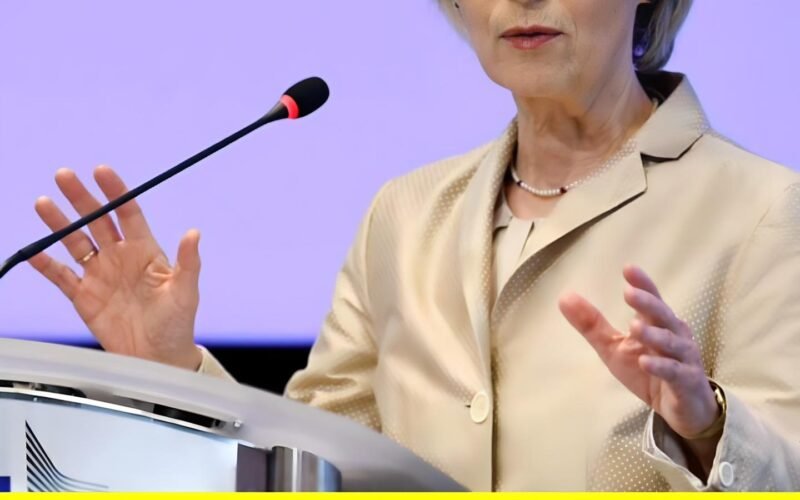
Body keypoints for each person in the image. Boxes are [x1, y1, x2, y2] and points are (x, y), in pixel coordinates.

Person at [28, 0, 800, 492]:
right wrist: (173, 371)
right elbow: (315, 464)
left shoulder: (764, 209)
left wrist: (705, 426)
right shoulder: (404, 214)